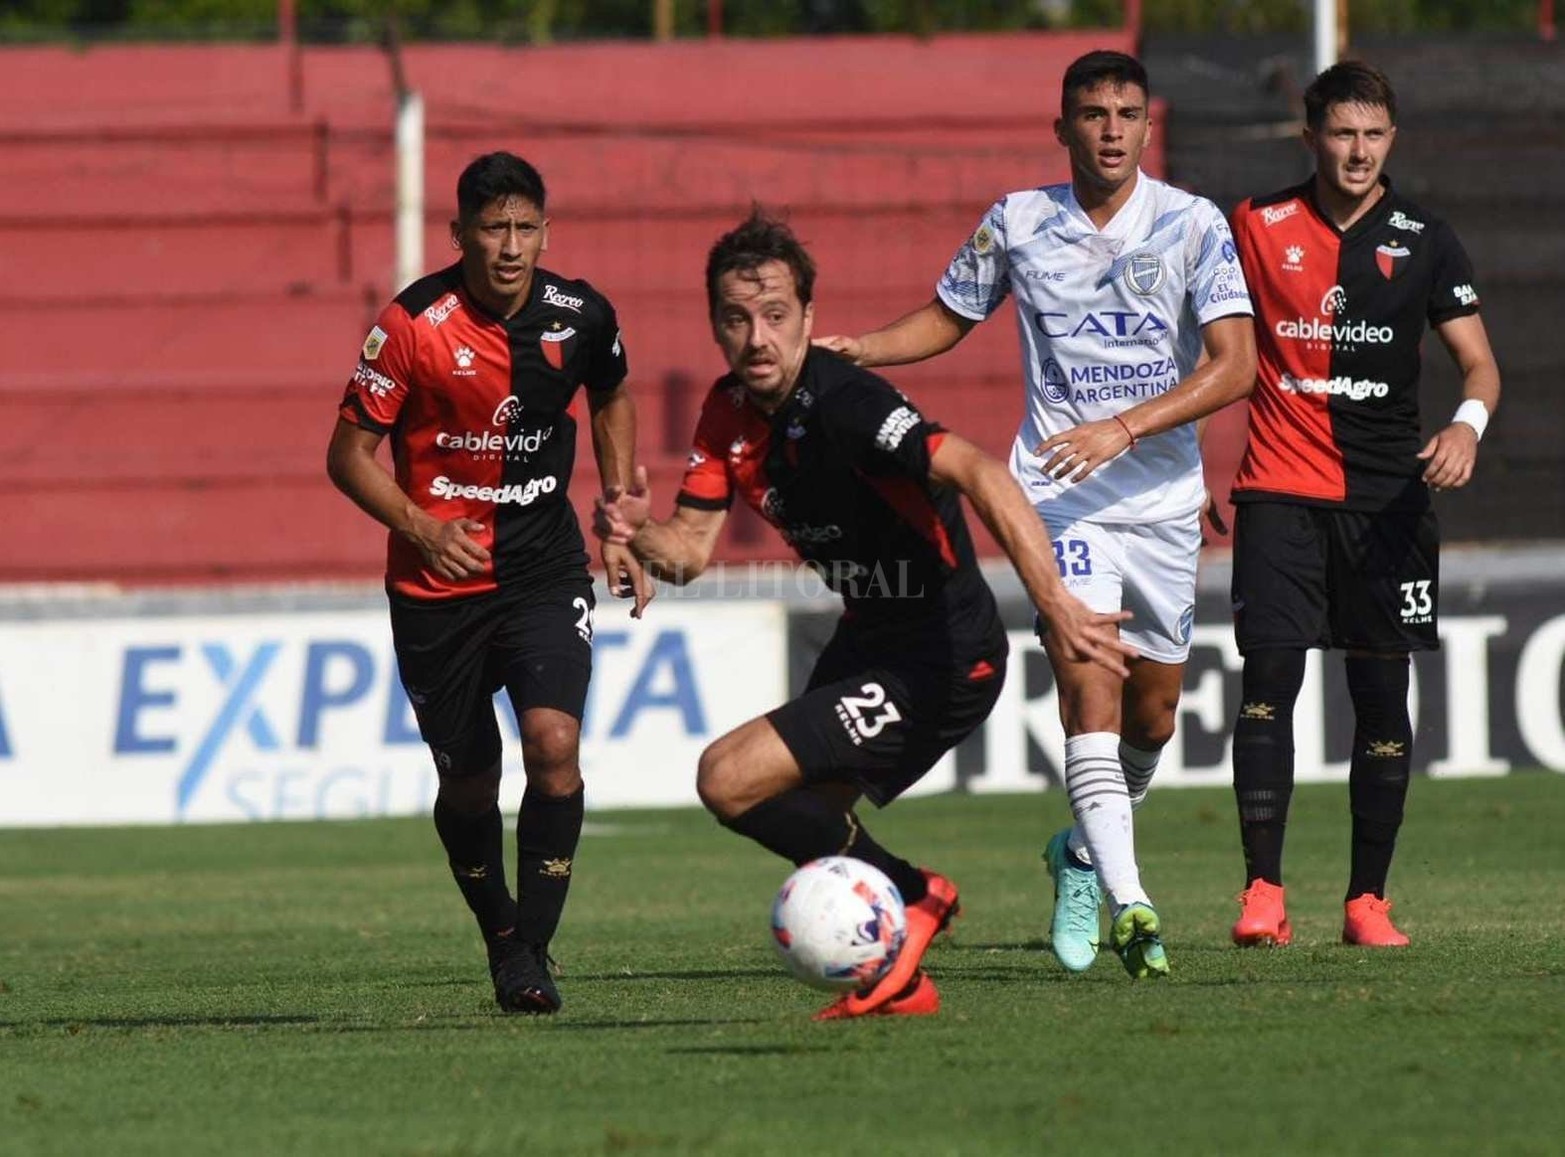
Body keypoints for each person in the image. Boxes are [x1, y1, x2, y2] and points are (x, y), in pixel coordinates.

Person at [595, 209, 1139, 1019]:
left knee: (728, 775)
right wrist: (636, 531)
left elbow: (981, 472)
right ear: (714, 324)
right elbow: (691, 551)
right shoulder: (726, 411)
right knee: (806, 816)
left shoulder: (847, 402)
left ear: (807, 316)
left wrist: (1055, 603)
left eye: (775, 315)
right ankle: (901, 976)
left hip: (943, 652)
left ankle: (916, 896)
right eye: (737, 319)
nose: (757, 338)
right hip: (870, 638)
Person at [813, 50, 1256, 978]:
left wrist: (1124, 428)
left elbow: (1235, 365)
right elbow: (948, 316)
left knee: (1153, 716)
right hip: (1056, 495)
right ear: (1061, 127)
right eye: (1092, 114)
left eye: (1126, 113)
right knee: (1088, 682)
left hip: (1160, 499)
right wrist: (863, 351)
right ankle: (1131, 902)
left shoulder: (1191, 223)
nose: (1109, 130)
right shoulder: (1017, 221)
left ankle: (1080, 853)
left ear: (1147, 126)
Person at [326, 151, 650, 1015]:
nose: (510, 246)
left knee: (553, 743)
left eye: (525, 228)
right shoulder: (411, 325)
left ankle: (528, 951)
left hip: (542, 570)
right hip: (436, 587)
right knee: (470, 782)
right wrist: (421, 528)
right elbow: (346, 456)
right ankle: (501, 932)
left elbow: (611, 393)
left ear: (545, 231)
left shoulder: (581, 314)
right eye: (493, 228)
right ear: (458, 234)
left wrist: (618, 516)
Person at [1226, 61, 1500, 948]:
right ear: (1309, 137)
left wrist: (1464, 428)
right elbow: (1210, 353)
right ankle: (1262, 892)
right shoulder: (1254, 225)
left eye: (1372, 134)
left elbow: (1480, 366)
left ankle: (1365, 901)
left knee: (1381, 696)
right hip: (1277, 488)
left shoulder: (1425, 237)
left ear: (1391, 139)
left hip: (1387, 501)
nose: (1357, 151)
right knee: (1268, 681)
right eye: (1341, 133)